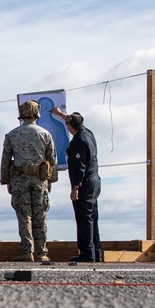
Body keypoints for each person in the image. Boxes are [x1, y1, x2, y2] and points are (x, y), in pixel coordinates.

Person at [0, 100, 58, 262]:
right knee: (40, 215)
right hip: (40, 179)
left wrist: (7, 180)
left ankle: (27, 251)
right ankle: (42, 252)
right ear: (37, 114)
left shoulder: (12, 135)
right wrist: (50, 180)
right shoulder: (45, 134)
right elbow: (52, 160)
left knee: (24, 215)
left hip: (19, 178)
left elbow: (5, 160)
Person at [53, 107, 102, 262]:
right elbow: (73, 120)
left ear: (70, 127)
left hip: (84, 184)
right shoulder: (88, 133)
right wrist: (61, 114)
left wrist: (75, 188)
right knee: (92, 217)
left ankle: (87, 254)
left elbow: (79, 167)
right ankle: (96, 252)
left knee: (84, 219)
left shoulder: (79, 141)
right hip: (94, 181)